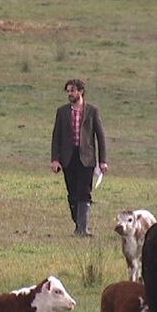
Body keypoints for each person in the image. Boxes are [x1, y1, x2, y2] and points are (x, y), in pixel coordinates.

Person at [51, 79, 108, 237]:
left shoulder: (92, 111)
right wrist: (55, 159)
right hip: (68, 158)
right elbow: (56, 136)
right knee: (72, 193)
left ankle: (83, 229)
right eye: (68, 91)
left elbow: (100, 136)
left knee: (84, 192)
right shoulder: (62, 112)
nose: (70, 94)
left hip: (86, 158)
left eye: (73, 91)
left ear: (81, 91)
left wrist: (102, 160)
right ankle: (79, 225)